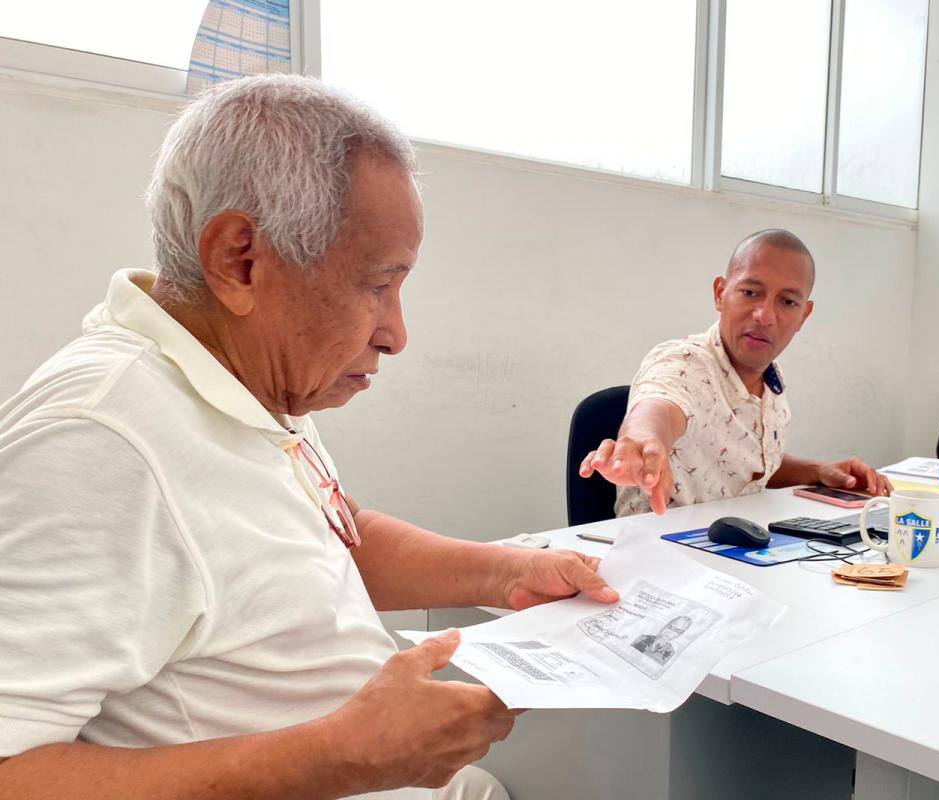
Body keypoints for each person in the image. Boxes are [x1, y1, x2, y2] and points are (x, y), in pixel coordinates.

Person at [0, 75, 619, 800]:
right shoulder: (100, 444)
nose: (396, 333)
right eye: (378, 285)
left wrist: (502, 572)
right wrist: (340, 758)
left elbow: (327, 534)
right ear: (240, 260)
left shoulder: (241, 379)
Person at [579, 229, 892, 517]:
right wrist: (643, 441)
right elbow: (658, 406)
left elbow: (744, 464)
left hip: (734, 551)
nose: (765, 315)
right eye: (750, 293)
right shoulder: (684, 362)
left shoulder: (771, 380)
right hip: (662, 557)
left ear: (803, 315)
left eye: (787, 301)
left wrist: (818, 471)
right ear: (720, 293)